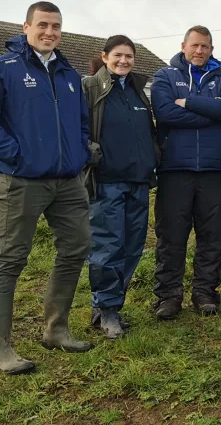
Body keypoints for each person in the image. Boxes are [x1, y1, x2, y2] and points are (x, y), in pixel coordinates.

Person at [0, 1, 93, 374]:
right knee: (11, 258)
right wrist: (17, 156)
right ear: (26, 27)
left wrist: (79, 153)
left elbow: (81, 123)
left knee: (77, 246)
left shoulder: (69, 74)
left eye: (56, 26)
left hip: (68, 180)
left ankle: (56, 329)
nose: (49, 32)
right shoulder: (1, 68)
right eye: (42, 25)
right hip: (22, 180)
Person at [150, 26, 221, 318]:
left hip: (213, 170)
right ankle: (168, 296)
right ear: (183, 46)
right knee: (171, 236)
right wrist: (211, 114)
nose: (200, 51)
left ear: (212, 50)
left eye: (205, 47)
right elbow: (165, 112)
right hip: (174, 169)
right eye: (195, 45)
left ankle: (205, 292)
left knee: (213, 235)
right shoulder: (165, 76)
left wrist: (188, 102)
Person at [81, 35, 158, 339]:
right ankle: (107, 308)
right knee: (107, 246)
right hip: (107, 181)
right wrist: (92, 155)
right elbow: (77, 129)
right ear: (104, 56)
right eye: (118, 55)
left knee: (132, 246)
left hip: (138, 179)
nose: (124, 61)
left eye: (129, 56)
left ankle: (107, 305)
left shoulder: (138, 91)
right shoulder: (90, 88)